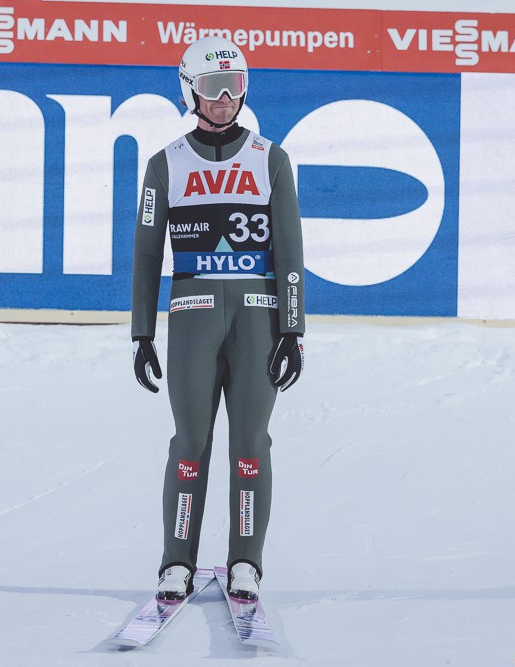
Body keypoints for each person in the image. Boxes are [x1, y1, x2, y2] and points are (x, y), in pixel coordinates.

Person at [130, 35, 306, 602]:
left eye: (234, 86)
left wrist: (293, 329)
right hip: (192, 318)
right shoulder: (165, 164)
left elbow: (290, 249)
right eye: (213, 87)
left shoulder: (271, 158)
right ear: (190, 91)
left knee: (251, 442)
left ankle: (245, 561)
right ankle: (176, 563)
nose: (225, 98)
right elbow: (146, 253)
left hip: (257, 319)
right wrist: (141, 333)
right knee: (191, 441)